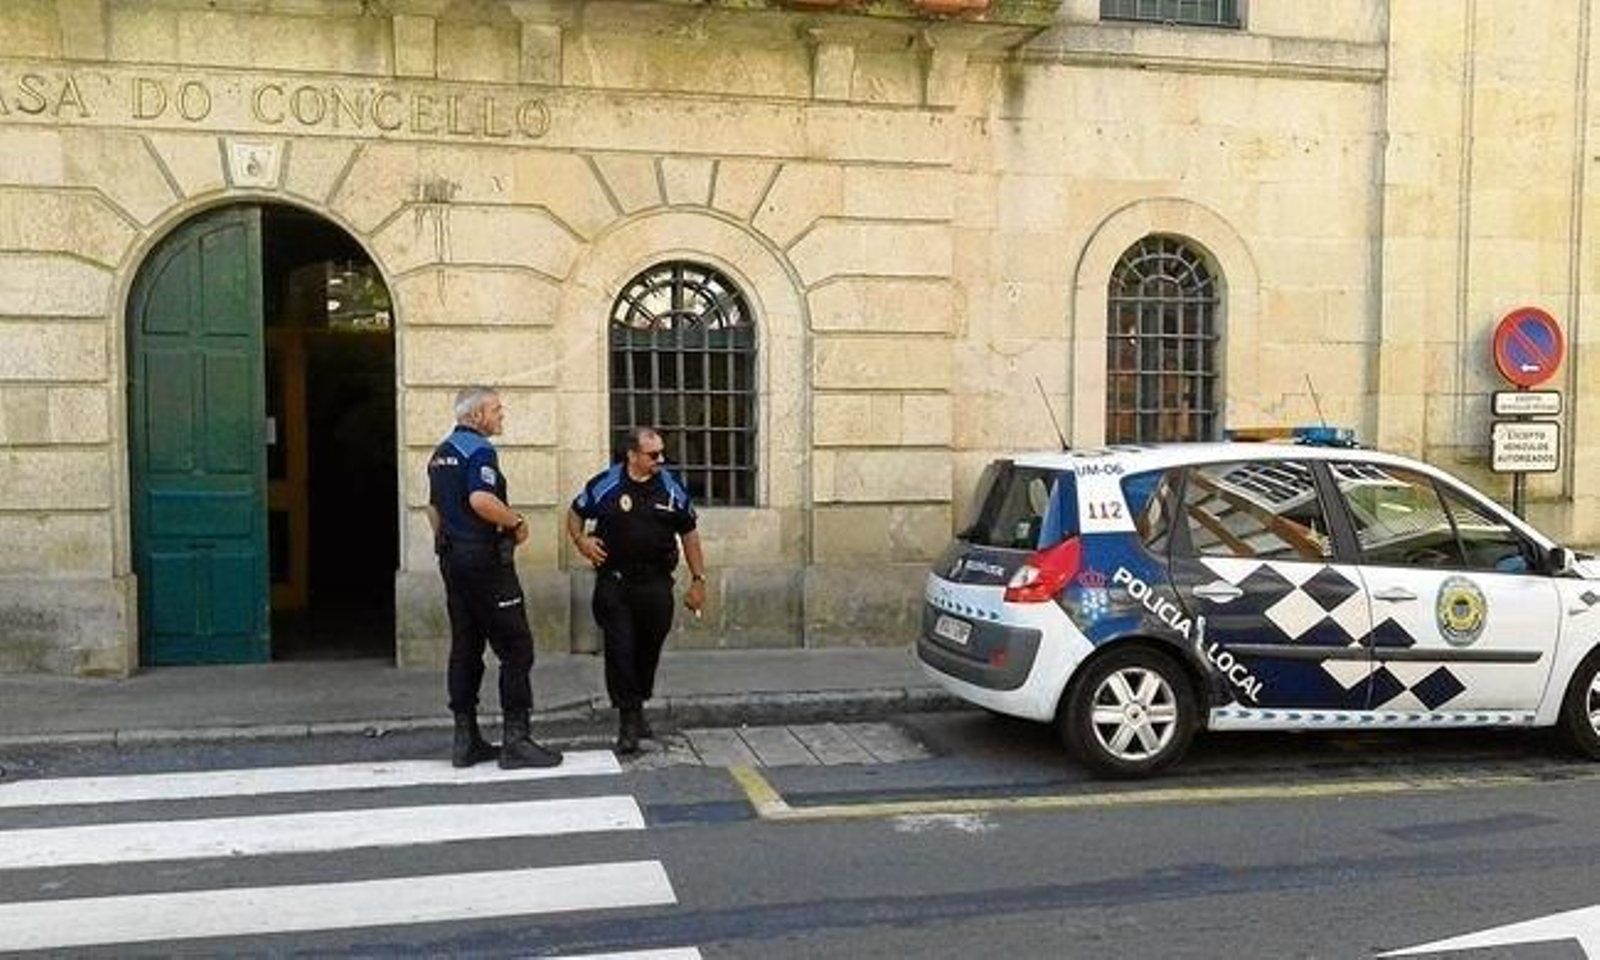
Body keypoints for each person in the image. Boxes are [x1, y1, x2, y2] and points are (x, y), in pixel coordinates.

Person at [426, 386, 562, 769]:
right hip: (484, 561)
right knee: (517, 648)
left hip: (453, 560)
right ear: (474, 416)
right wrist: (515, 522)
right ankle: (516, 741)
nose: (501, 415)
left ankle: (465, 739)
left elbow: (432, 510)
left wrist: (449, 540)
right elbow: (480, 500)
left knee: (466, 646)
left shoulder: (440, 454)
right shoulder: (480, 451)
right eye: (495, 409)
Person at [568, 427, 707, 754]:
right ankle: (628, 720)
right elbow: (575, 514)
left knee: (648, 650)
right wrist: (581, 541)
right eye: (653, 454)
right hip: (614, 582)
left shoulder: (671, 488)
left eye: (662, 453)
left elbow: (689, 534)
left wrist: (699, 580)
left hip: (656, 583)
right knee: (620, 649)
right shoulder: (606, 484)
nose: (661, 460)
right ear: (632, 455)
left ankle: (638, 704)